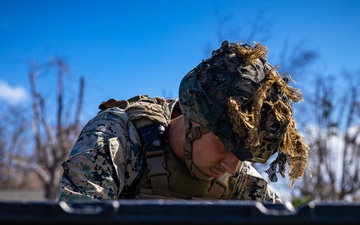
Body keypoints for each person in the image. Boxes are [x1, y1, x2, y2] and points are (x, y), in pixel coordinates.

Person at [58, 40, 309, 204]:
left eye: (242, 156)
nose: (231, 166)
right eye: (226, 147)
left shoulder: (238, 176)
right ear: (194, 120)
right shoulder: (117, 138)